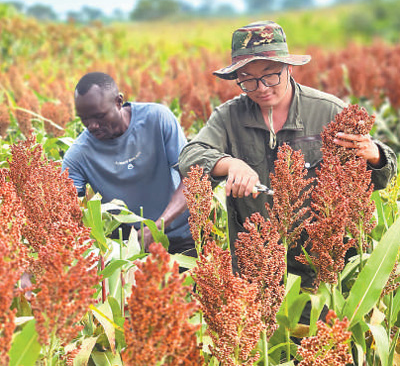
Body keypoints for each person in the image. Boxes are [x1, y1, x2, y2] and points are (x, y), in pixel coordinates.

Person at [179, 20, 397, 289]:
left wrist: (374, 155)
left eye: (270, 75)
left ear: (289, 69)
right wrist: (229, 163)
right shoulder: (229, 117)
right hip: (257, 263)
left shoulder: (327, 111)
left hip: (322, 266)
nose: (261, 88)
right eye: (247, 79)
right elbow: (190, 156)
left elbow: (375, 180)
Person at [62, 72, 195, 255]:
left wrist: (157, 226)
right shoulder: (78, 155)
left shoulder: (157, 118)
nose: (91, 125)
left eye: (99, 116)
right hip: (129, 247)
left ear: (118, 102)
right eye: (84, 119)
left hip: (181, 235)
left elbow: (191, 180)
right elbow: (63, 211)